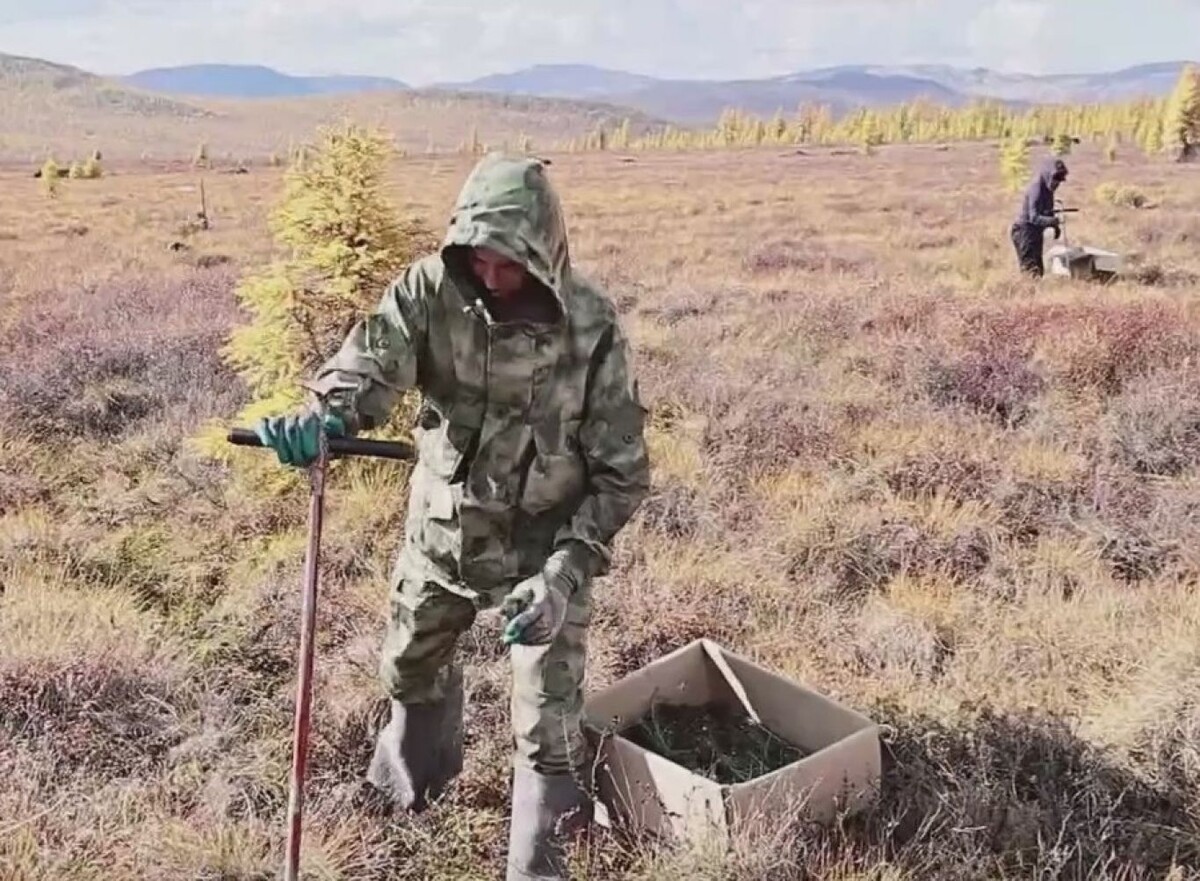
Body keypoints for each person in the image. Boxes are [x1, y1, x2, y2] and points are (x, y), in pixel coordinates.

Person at [253, 152, 651, 880]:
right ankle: (414, 785)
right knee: (408, 670)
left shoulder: (592, 330)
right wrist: (325, 413)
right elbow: (369, 364)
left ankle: (540, 861)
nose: (492, 276)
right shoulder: (430, 290)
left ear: (546, 253)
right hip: (438, 542)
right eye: (478, 258)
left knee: (547, 729)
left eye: (510, 263)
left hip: (542, 559)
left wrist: (562, 578)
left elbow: (622, 477)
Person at [1011, 156, 1069, 278]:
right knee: (1030, 270)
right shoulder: (1036, 189)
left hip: (1035, 232)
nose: (1057, 183)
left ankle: (1033, 294)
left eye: (1060, 180)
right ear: (1048, 174)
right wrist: (1051, 221)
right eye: (1055, 178)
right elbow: (1034, 217)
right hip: (1024, 231)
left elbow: (1048, 211)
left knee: (1038, 271)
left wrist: (1055, 226)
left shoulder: (1049, 191)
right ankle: (1026, 295)